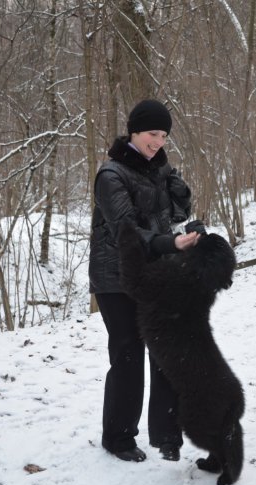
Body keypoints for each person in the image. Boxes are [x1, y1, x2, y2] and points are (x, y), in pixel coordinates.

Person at [89, 99, 201, 462]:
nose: (158, 141)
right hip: (116, 277)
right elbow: (125, 229)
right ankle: (118, 437)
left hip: (154, 272)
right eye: (153, 133)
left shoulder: (161, 171)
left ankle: (168, 436)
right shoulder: (111, 175)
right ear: (134, 131)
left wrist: (185, 219)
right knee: (128, 353)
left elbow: (176, 216)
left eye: (164, 135)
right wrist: (169, 243)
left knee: (166, 349)